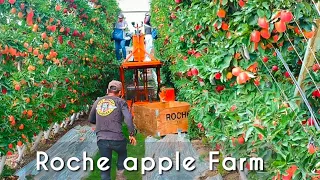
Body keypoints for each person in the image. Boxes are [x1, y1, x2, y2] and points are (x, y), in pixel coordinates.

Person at [88, 80, 137, 180]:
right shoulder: (121, 102)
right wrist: (131, 134)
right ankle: (120, 176)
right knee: (122, 152)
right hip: (117, 138)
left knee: (105, 165)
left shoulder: (98, 101)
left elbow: (91, 119)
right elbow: (128, 118)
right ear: (120, 93)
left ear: (107, 90)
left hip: (101, 139)